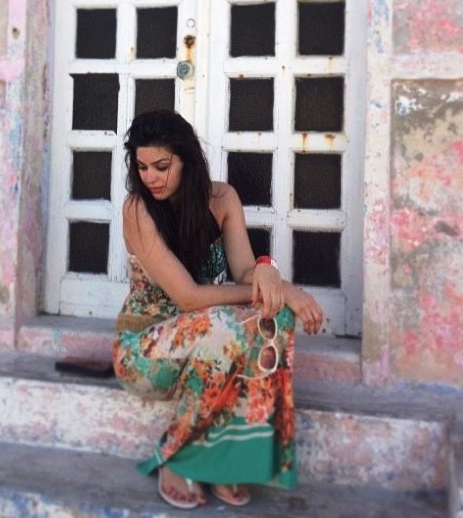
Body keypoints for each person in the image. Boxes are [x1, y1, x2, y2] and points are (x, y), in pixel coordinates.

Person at [112, 110, 323, 510]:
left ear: (187, 160)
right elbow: (189, 298)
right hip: (146, 353)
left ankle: (227, 461)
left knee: (273, 318)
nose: (150, 177)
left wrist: (266, 274)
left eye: (161, 166)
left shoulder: (223, 199)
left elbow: (244, 271)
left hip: (207, 344)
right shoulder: (137, 210)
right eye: (142, 167)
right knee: (227, 325)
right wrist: (281, 290)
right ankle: (178, 457)